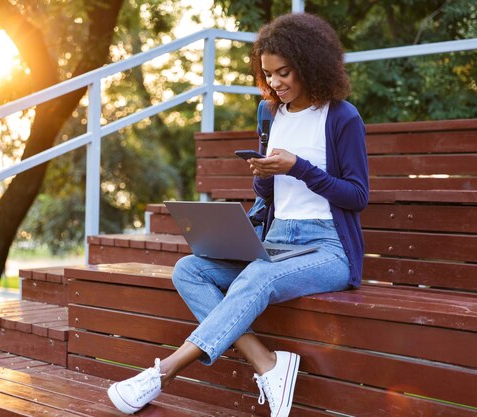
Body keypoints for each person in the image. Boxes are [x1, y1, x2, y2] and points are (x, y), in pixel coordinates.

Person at [107, 12, 369, 417]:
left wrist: (297, 167)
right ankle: (267, 362)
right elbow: (269, 194)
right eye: (268, 75)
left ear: (311, 65)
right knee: (189, 269)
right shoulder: (270, 114)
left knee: (258, 275)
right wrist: (265, 175)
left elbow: (356, 195)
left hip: (328, 248)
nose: (276, 84)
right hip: (276, 239)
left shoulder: (341, 117)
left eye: (285, 72)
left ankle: (164, 373)